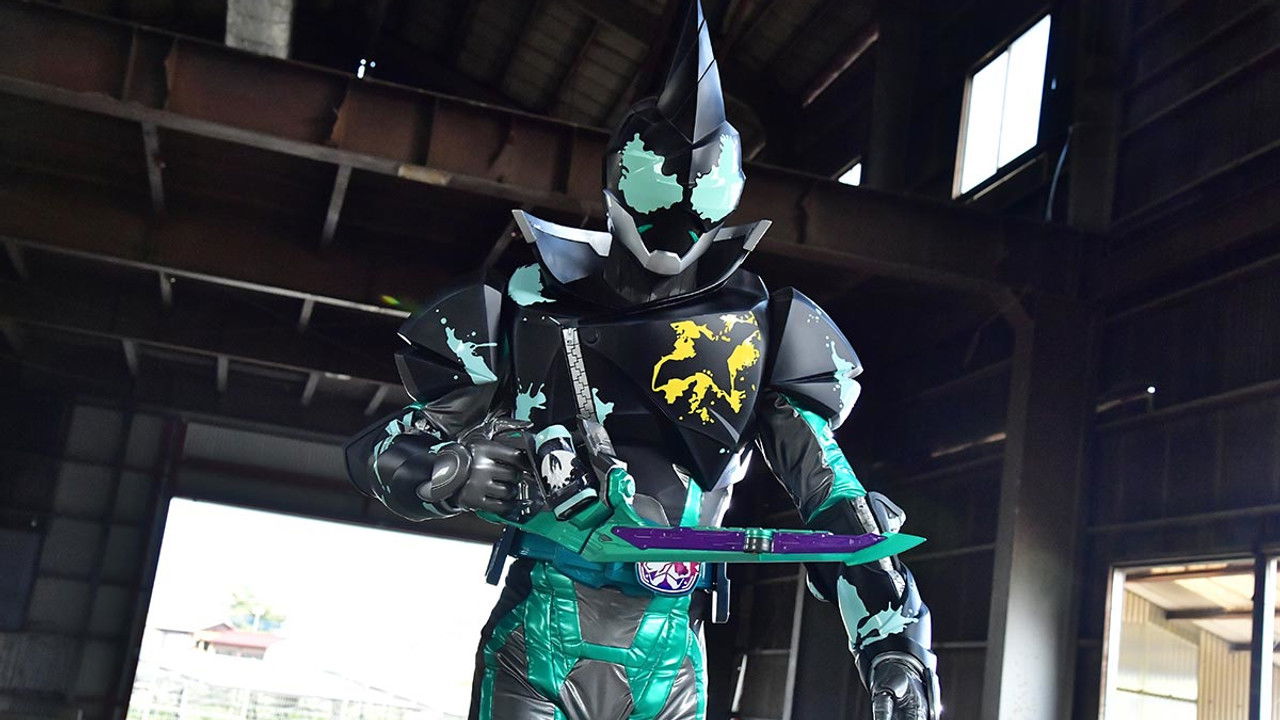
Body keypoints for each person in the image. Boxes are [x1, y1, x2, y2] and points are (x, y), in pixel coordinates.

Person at [346, 3, 939, 718]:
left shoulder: (765, 332)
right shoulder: (524, 308)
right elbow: (380, 451)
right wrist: (450, 471)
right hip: (540, 637)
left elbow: (834, 499)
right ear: (618, 183)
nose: (673, 223)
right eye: (657, 191)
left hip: (673, 651)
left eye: (698, 200)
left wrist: (894, 640)